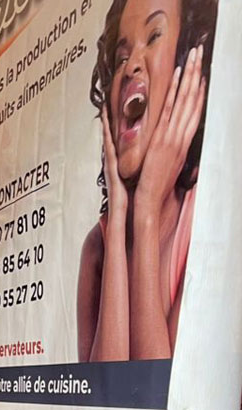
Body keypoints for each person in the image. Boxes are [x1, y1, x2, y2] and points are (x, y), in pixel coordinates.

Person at [77, 0, 214, 362]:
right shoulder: (97, 248)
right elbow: (102, 397)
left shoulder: (210, 221)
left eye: (153, 36)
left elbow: (155, 393)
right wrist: (123, 213)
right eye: (120, 58)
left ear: (187, 69)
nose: (132, 66)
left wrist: (148, 209)